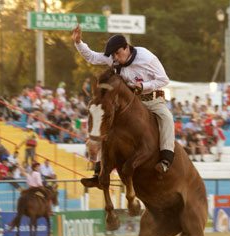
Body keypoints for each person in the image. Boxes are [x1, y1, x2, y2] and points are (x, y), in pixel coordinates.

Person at [72, 27, 175, 187]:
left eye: (117, 53)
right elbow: (92, 57)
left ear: (126, 47)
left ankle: (166, 159)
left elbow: (163, 80)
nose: (115, 58)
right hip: (130, 103)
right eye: (112, 55)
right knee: (105, 121)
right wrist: (78, 42)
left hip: (152, 100)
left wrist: (142, 86)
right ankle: (98, 170)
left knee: (166, 118)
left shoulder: (146, 57)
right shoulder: (113, 59)